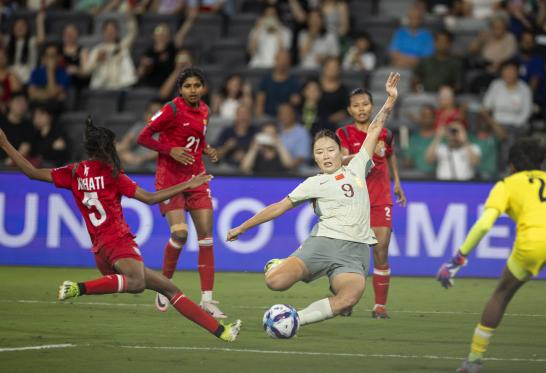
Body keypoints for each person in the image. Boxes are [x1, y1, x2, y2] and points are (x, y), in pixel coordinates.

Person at [0, 119, 241, 342]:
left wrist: (5, 144)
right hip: (118, 243)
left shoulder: (74, 172)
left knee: (169, 289)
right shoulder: (112, 174)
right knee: (136, 283)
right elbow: (149, 198)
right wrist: (188, 184)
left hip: (100, 250)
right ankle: (78, 288)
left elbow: (31, 173)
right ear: (106, 148)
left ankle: (223, 332)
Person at [227, 72, 400, 329]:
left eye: (331, 150)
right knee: (275, 282)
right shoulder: (313, 183)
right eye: (320, 152)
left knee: (348, 298)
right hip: (322, 245)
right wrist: (243, 227)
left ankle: (296, 320)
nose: (326, 155)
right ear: (315, 158)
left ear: (341, 153)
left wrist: (390, 100)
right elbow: (278, 208)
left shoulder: (358, 165)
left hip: (354, 254)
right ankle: (280, 265)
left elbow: (375, 128)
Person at [436, 138, 546, 373]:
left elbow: (484, 225)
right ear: (541, 161)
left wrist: (458, 259)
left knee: (502, 294)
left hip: (534, 243)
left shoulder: (507, 184)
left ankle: (474, 360)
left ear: (511, 165)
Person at [136, 67, 226, 318]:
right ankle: (164, 286)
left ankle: (207, 299)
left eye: (197, 85)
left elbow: (194, 137)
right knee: (181, 234)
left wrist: (206, 148)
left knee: (206, 236)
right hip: (171, 180)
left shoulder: (205, 110)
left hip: (196, 177)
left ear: (203, 88)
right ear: (180, 89)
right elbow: (143, 138)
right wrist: (169, 150)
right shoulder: (171, 109)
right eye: (188, 86)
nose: (193, 90)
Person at [336, 87, 407, 318]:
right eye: (356, 105)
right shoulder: (344, 133)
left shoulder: (384, 133)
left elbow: (390, 155)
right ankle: (346, 300)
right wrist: (367, 153)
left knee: (381, 251)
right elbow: (341, 161)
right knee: (351, 255)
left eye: (365, 104)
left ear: (371, 106)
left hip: (380, 198)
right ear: (349, 110)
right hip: (353, 199)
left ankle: (380, 307)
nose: (361, 109)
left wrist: (397, 183)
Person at [389, 5, 434, 69]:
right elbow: (393, 53)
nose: (414, 20)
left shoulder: (427, 35)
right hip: (399, 64)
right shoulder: (400, 33)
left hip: (419, 67)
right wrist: (408, 61)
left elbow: (426, 57)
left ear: (421, 19)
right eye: (411, 17)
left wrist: (406, 62)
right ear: (408, 18)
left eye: (417, 17)